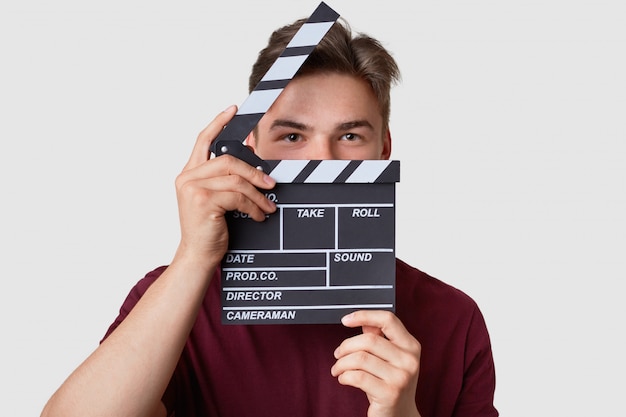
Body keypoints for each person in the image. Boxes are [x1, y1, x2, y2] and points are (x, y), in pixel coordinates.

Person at [41, 15, 498, 417]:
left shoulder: (453, 318)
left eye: (351, 136)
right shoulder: (176, 300)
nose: (321, 161)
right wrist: (194, 257)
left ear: (383, 151)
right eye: (293, 136)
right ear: (250, 149)